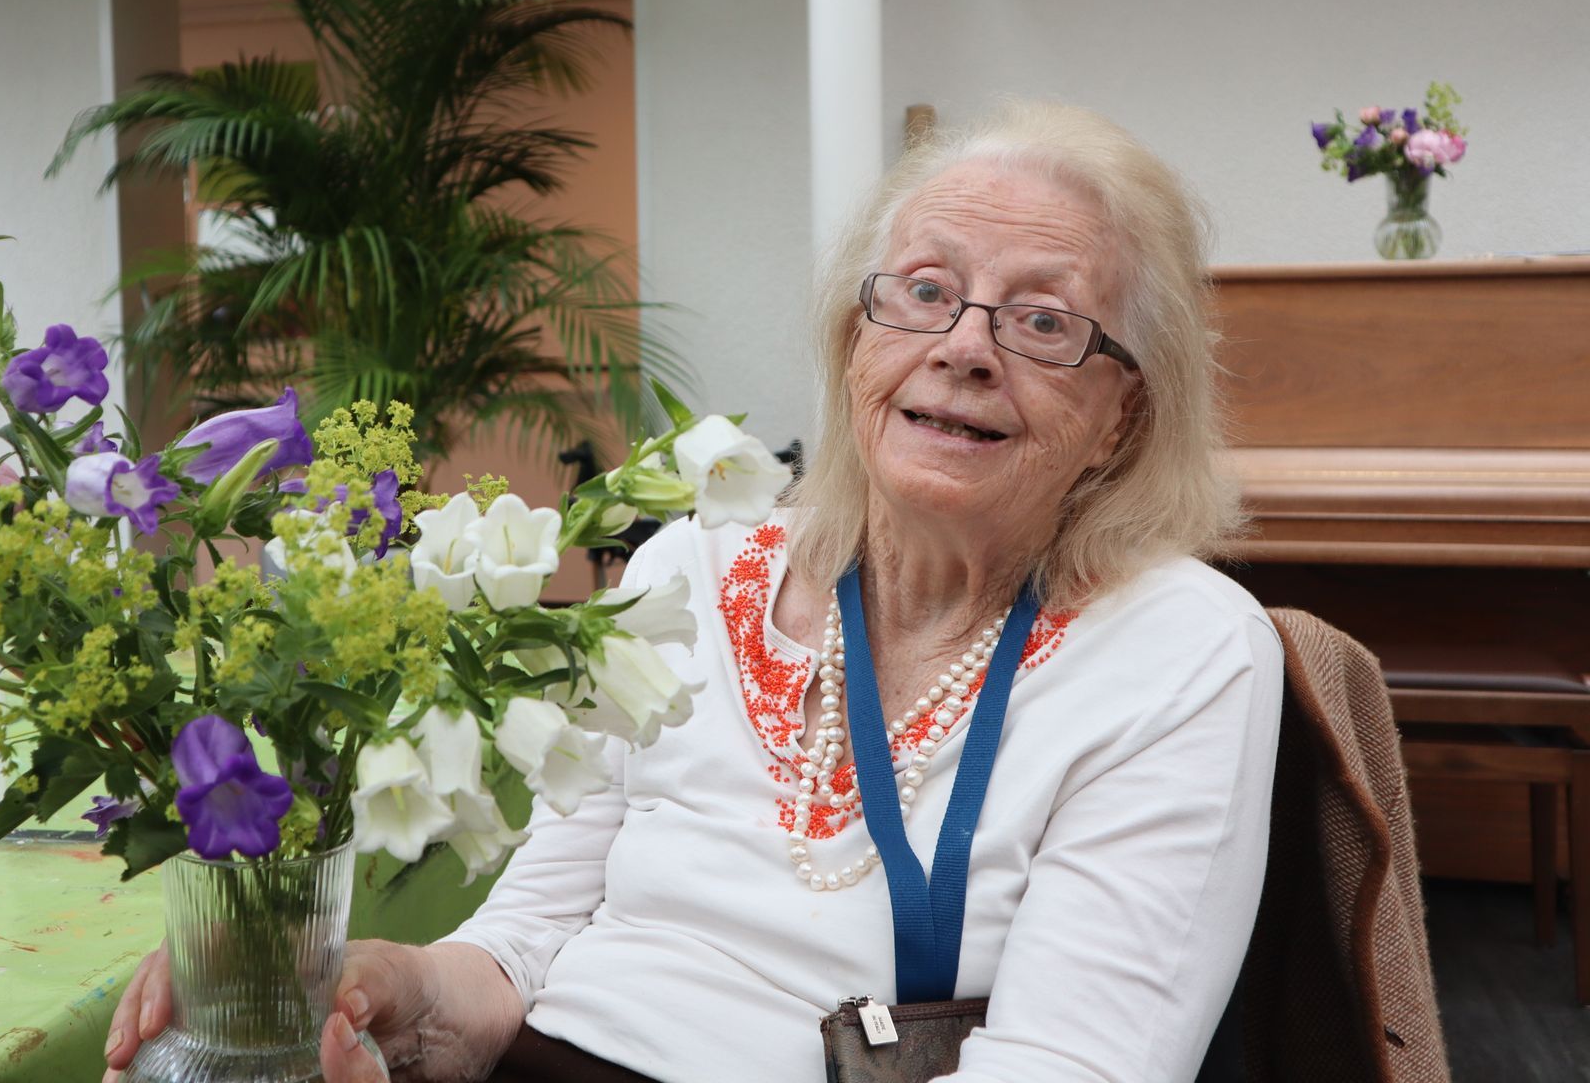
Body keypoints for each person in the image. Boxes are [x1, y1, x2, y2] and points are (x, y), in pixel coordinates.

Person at [103, 101, 1283, 1083]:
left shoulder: (1177, 647)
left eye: (1043, 320)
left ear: (1125, 409)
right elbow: (523, 945)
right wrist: (395, 989)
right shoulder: (696, 566)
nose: (963, 345)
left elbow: (1069, 1064)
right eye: (921, 289)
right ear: (853, 338)